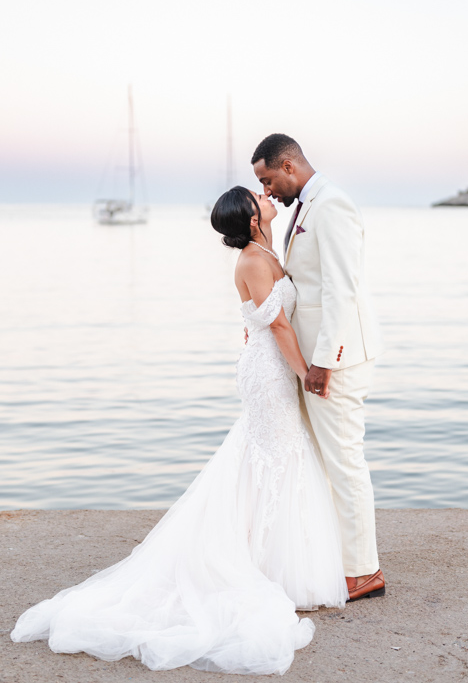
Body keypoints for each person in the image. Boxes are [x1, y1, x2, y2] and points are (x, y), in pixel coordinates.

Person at [11, 186, 347, 676]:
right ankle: (265, 564)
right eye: (258, 197)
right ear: (253, 220)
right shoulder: (254, 260)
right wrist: (306, 375)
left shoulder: (268, 249)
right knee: (275, 453)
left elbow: (255, 319)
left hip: (268, 365)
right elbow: (277, 327)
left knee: (276, 454)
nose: (265, 195)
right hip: (271, 369)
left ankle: (272, 557)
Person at [252, 133, 385, 601]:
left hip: (336, 361)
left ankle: (364, 572)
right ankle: (339, 561)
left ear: (289, 166)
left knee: (345, 460)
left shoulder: (332, 205)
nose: (267, 192)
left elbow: (342, 291)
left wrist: (324, 363)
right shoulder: (307, 207)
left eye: (268, 180)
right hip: (312, 361)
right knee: (326, 462)